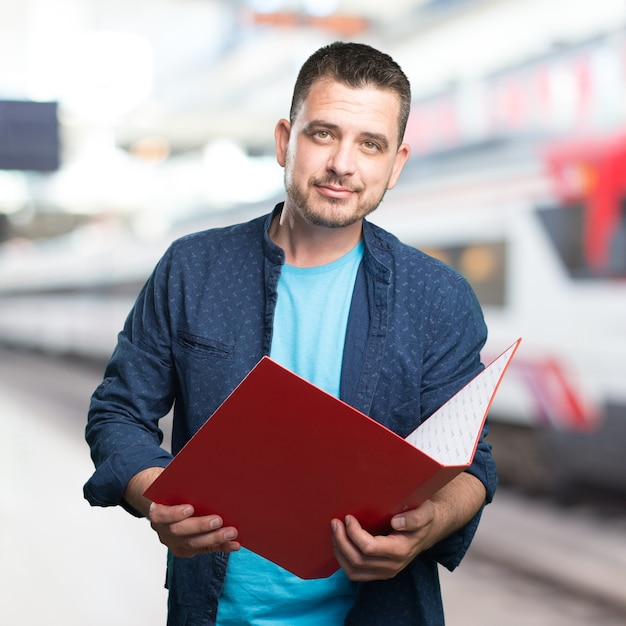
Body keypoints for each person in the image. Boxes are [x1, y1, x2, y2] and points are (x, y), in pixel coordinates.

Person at [84, 41, 495, 625]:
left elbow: (470, 464)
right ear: (285, 140)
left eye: (370, 144)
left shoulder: (439, 297)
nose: (343, 165)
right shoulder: (192, 269)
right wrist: (157, 497)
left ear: (396, 164)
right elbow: (118, 412)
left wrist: (431, 522)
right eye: (324, 134)